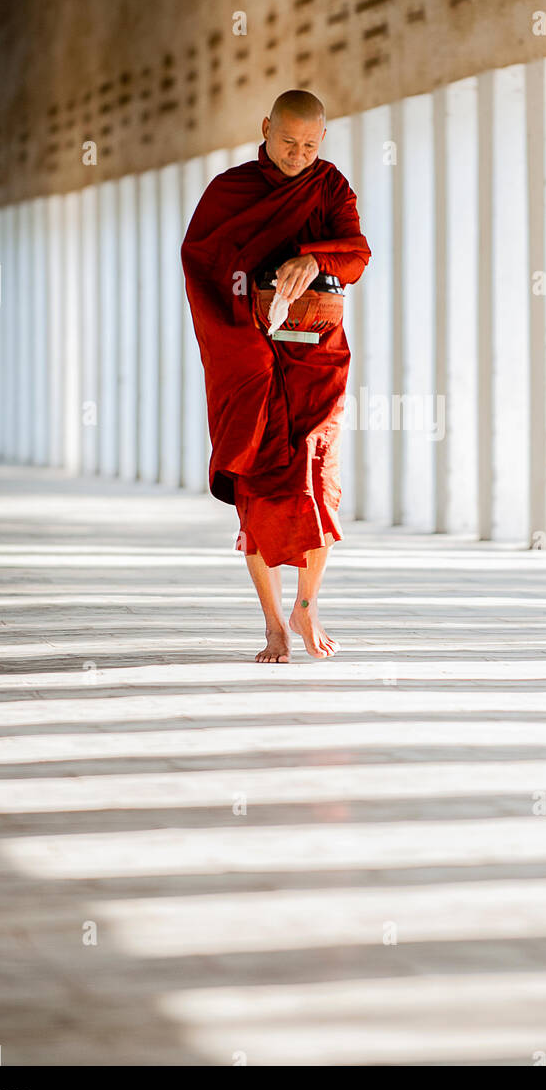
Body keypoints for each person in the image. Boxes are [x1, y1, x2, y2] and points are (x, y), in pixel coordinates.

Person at [181, 90, 371, 663]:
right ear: (265, 128)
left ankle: (307, 607)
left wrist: (313, 259)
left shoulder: (329, 186)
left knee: (318, 481)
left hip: (316, 359)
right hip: (253, 360)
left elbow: (357, 253)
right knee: (259, 485)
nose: (298, 154)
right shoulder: (230, 192)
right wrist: (250, 332)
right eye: (288, 141)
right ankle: (272, 624)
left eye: (311, 144)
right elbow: (203, 266)